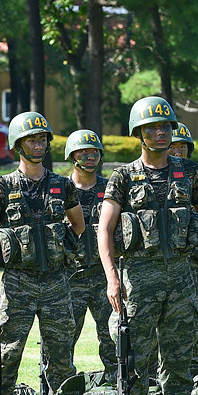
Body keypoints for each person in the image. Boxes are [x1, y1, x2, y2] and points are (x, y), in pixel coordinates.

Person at [97, 96, 198, 395]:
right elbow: (105, 228)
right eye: (152, 128)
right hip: (139, 277)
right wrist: (111, 278)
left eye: (166, 126)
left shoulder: (189, 172)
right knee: (136, 356)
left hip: (181, 276)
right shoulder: (123, 176)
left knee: (181, 356)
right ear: (139, 133)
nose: (161, 133)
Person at [0, 112, 84, 395]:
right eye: (31, 140)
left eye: (42, 140)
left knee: (60, 354)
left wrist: (58, 246)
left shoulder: (62, 184)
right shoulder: (2, 186)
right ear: (17, 145)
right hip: (17, 282)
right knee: (8, 352)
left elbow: (78, 224)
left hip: (56, 282)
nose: (38, 146)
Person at [166, 122, 198, 376]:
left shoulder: (191, 175)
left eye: (182, 147)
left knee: (191, 317)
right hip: (153, 263)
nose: (177, 152)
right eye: (173, 146)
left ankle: (195, 369)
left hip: (187, 262)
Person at [64, 129, 115, 381]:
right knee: (63, 339)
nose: (90, 157)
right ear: (72, 156)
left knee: (112, 337)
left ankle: (116, 385)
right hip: (69, 277)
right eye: (83, 152)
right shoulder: (60, 188)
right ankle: (54, 391)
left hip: (103, 276)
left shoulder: (111, 189)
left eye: (94, 152)